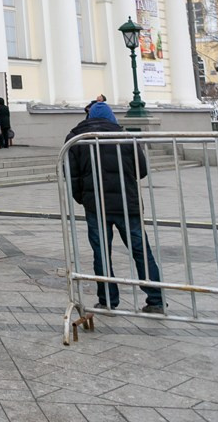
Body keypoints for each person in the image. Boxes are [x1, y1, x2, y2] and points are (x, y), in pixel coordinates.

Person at [66, 102, 164, 313]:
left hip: (96, 206)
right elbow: (141, 170)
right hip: (127, 204)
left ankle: (108, 300)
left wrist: (83, 199)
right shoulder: (125, 136)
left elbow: (71, 176)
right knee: (141, 250)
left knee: (101, 253)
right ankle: (156, 299)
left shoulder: (76, 139)